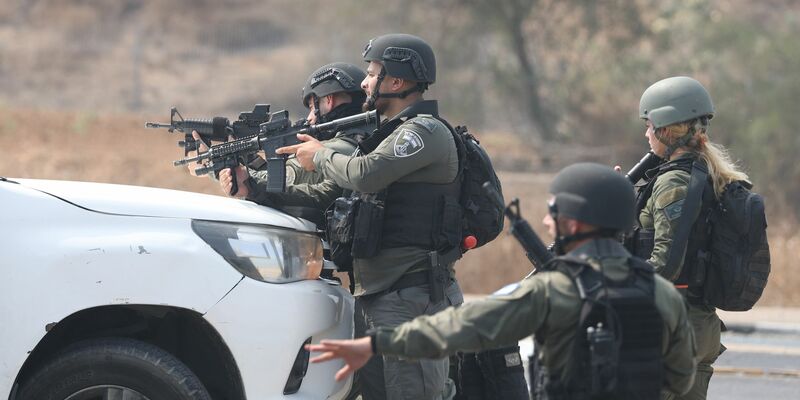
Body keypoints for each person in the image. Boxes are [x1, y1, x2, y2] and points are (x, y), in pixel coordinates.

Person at [306, 163, 698, 400]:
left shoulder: (552, 290)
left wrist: (377, 342)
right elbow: (681, 380)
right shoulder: (661, 292)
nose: (546, 222)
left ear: (575, 223)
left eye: (552, 212)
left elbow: (460, 329)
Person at [277, 33, 465, 399]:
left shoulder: (424, 132)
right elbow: (334, 194)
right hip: (382, 296)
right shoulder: (387, 134)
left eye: (372, 72)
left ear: (396, 82)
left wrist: (320, 156)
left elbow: (366, 173)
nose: (364, 82)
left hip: (413, 298)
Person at [628, 76, 751, 400]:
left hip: (670, 327)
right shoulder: (708, 176)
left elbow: (666, 263)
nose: (646, 133)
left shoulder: (674, 184)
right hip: (696, 323)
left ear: (666, 129)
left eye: (649, 125)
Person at [217, 62, 369, 220]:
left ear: (329, 100)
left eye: (311, 107)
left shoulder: (336, 148)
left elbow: (289, 179)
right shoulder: (362, 140)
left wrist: (249, 185)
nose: (309, 118)